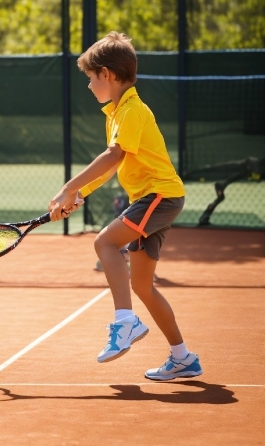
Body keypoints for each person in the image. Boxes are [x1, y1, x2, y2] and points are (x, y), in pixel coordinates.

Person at [48, 32, 202, 381]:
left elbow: (112, 155)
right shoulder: (117, 112)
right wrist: (80, 193)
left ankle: (124, 322)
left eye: (90, 78)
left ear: (108, 74)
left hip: (159, 194)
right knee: (143, 285)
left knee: (104, 242)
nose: (88, 86)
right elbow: (115, 163)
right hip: (155, 198)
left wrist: (68, 188)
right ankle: (183, 357)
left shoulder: (132, 110)